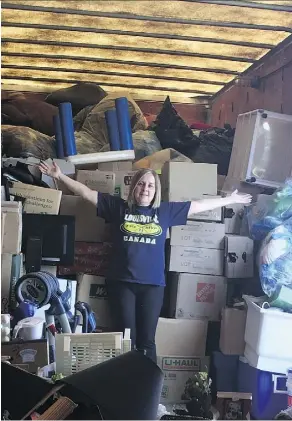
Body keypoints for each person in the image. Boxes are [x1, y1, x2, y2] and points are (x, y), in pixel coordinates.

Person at [39, 161, 252, 363]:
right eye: (141, 183)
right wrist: (59, 176)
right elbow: (86, 193)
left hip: (153, 286)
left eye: (150, 185)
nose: (145, 188)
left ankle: (148, 389)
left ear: (156, 190)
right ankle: (125, 386)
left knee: (147, 341)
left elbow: (199, 205)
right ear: (134, 187)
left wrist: (229, 200)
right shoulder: (118, 208)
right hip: (122, 283)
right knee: (125, 339)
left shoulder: (165, 211)